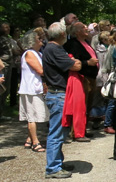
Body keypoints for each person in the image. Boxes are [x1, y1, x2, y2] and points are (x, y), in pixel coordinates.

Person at [42, 22, 81, 179]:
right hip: (58, 95)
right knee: (56, 133)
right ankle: (52, 168)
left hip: (58, 94)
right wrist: (75, 62)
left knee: (61, 131)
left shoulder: (51, 48)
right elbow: (76, 66)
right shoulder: (55, 49)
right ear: (63, 34)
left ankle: (57, 162)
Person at [63, 22, 98, 141]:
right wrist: (87, 63)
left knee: (88, 105)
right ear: (77, 32)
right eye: (83, 27)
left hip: (91, 77)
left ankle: (83, 128)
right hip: (82, 77)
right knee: (81, 105)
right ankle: (76, 131)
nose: (86, 29)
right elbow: (73, 62)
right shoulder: (73, 44)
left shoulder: (86, 42)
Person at [18, 30, 49, 153]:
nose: (41, 39)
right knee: (32, 117)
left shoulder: (38, 54)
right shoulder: (29, 53)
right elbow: (41, 70)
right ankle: (35, 142)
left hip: (36, 88)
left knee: (37, 115)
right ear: (32, 40)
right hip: (30, 89)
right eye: (38, 38)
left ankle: (29, 139)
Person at [0, 21, 13, 119]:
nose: (7, 29)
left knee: (6, 88)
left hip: (9, 65)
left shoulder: (8, 39)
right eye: (5, 27)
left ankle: (1, 113)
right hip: (2, 66)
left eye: (8, 27)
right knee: (1, 88)